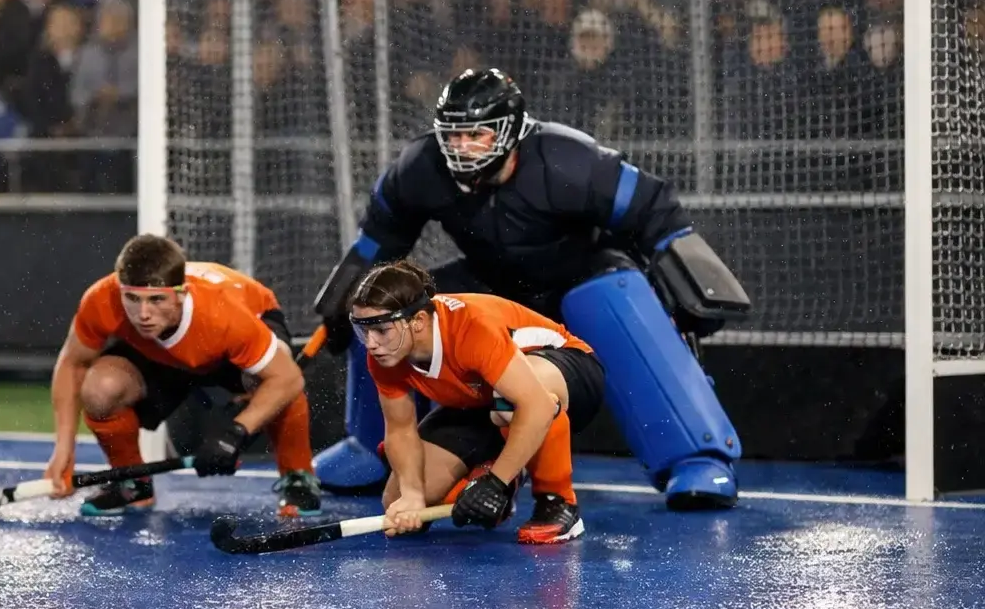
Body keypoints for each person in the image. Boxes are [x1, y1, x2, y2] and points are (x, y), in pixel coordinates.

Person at [314, 68, 750, 510]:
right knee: (387, 311)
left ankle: (696, 454)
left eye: (478, 135)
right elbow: (379, 242)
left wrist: (693, 285)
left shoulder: (570, 160)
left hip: (580, 274)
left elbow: (655, 211)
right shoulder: (420, 167)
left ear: (511, 131)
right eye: (454, 135)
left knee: (615, 298)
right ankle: (371, 446)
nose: (462, 147)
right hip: (493, 279)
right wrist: (341, 298)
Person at [46, 234, 322, 517]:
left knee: (272, 375)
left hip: (233, 336)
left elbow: (288, 379)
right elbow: (73, 365)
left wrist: (234, 433)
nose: (143, 314)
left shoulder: (223, 314)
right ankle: (132, 481)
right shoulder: (103, 299)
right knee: (100, 388)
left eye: (156, 300)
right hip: (161, 353)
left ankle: (298, 476)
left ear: (181, 293)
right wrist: (64, 449)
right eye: (132, 298)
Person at [351, 261, 605, 543]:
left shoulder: (471, 327)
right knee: (396, 501)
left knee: (510, 403)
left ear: (418, 321)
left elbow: (538, 405)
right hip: (483, 401)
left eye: (381, 330)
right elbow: (400, 430)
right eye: (363, 331)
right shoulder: (384, 357)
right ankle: (494, 474)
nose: (371, 343)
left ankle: (557, 502)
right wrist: (412, 495)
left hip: (565, 372)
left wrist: (495, 483)